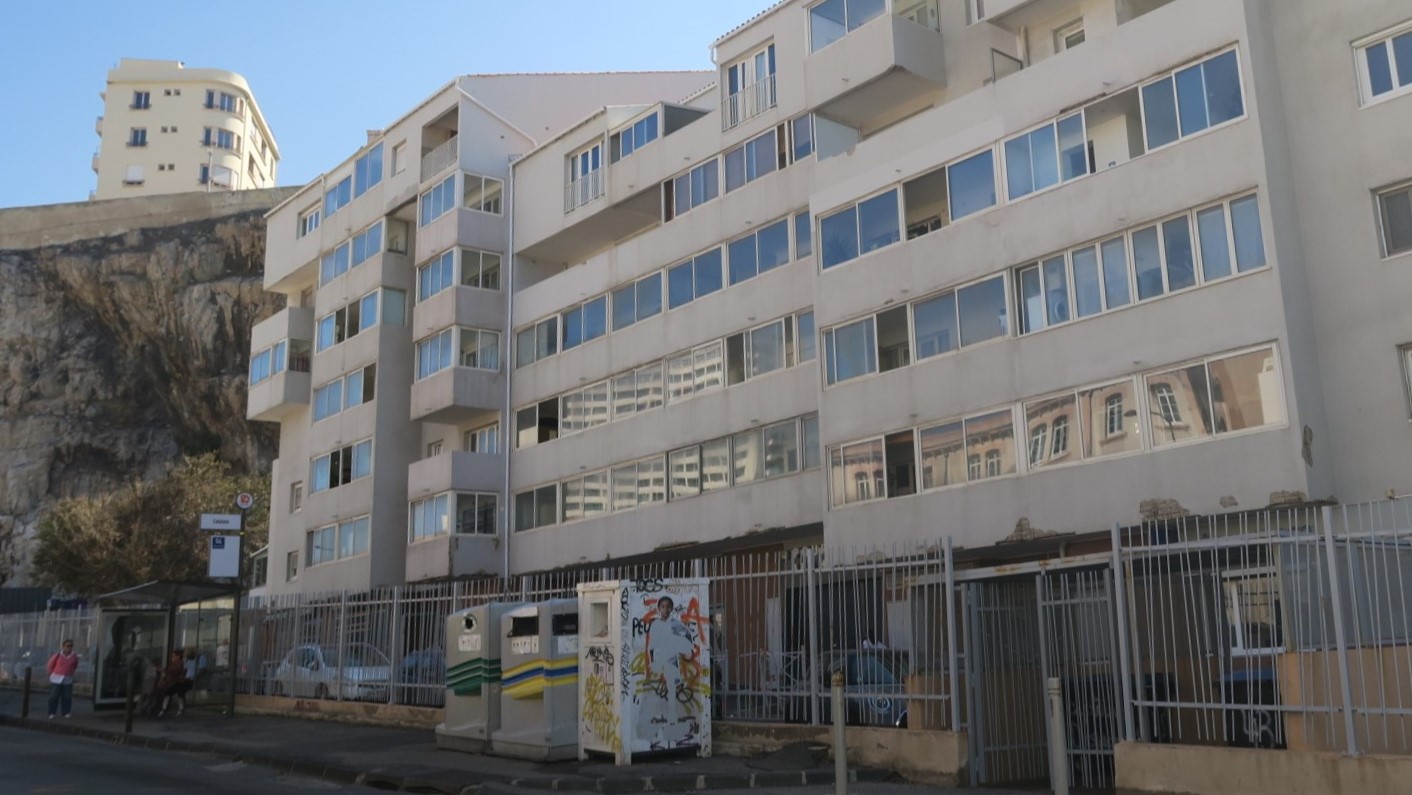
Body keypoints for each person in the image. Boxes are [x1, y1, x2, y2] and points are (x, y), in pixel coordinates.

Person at [46, 639, 80, 719]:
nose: (69, 648)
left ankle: (66, 712)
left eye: (71, 646)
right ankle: (51, 712)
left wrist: (70, 672)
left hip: (68, 679)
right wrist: (51, 675)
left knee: (67, 696)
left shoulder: (74, 657)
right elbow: (50, 665)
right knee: (54, 696)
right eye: (67, 646)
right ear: (63, 647)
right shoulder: (57, 655)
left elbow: (75, 666)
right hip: (56, 678)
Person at [154, 650, 191, 717]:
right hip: (175, 682)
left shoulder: (181, 664)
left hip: (181, 682)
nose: (172, 657)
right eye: (172, 656)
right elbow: (168, 673)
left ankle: (181, 708)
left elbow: (174, 671)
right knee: (167, 692)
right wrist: (163, 679)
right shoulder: (172, 664)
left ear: (178, 656)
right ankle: (164, 709)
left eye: (173, 656)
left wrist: (162, 670)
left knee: (180, 692)